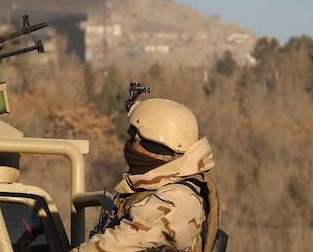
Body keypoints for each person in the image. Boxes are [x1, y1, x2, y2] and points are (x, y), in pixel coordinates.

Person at [74, 98, 222, 252]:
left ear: (152, 148)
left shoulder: (176, 200)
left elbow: (118, 243)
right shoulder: (157, 187)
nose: (129, 146)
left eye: (133, 139)